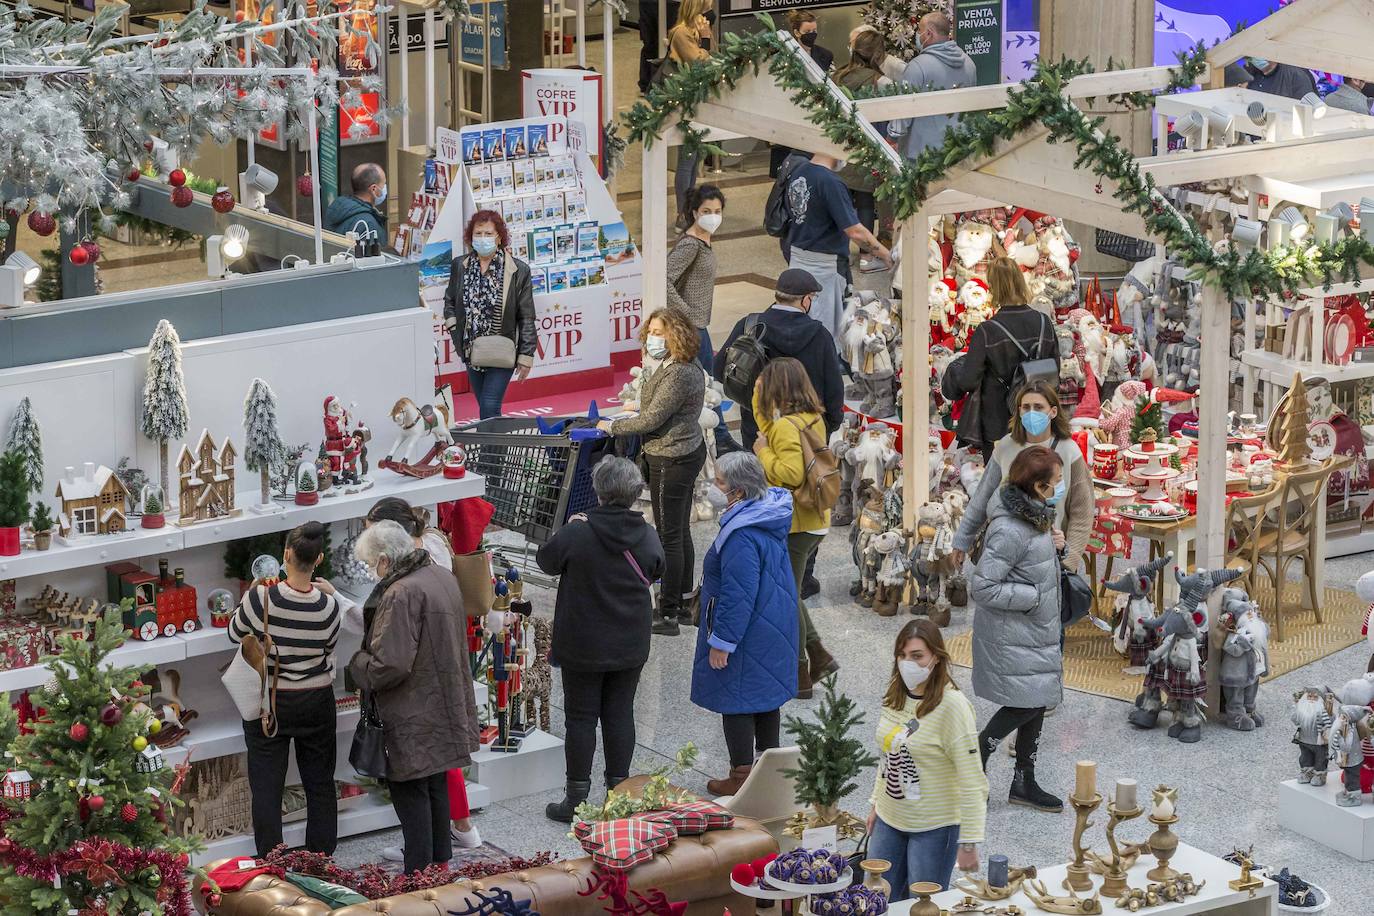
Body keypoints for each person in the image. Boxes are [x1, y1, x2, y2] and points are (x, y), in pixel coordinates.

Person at [353, 497, 484, 863]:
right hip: (443, 705)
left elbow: (389, 665)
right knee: (436, 790)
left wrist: (359, 664)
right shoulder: (439, 576)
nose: (371, 571)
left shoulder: (400, 592)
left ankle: (419, 879)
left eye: (370, 563)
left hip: (412, 715)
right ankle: (439, 869)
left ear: (384, 558)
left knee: (411, 797)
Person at [537, 458, 666, 821]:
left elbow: (546, 560)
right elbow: (659, 568)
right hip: (630, 643)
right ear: (635, 493)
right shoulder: (647, 533)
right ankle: (619, 795)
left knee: (580, 718)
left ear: (598, 491)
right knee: (620, 713)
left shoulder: (578, 532)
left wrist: (568, 529)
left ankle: (576, 798)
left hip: (582, 643)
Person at [229, 521, 342, 858]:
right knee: (320, 783)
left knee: (266, 787)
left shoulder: (261, 597)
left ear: (285, 555)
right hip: (317, 701)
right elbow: (327, 648)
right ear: (319, 559)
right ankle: (321, 860)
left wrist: (250, 592)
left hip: (271, 703)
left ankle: (271, 861)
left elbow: (235, 634)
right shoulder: (329, 606)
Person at [691, 451, 799, 795]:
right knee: (765, 698)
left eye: (719, 481)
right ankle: (769, 774)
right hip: (773, 623)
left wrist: (723, 641)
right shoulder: (767, 513)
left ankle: (740, 778)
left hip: (747, 630)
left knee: (735, 700)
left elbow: (738, 594)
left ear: (737, 490)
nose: (714, 486)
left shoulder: (740, 534)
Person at [597, 308, 705, 635]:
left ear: (676, 335)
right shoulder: (676, 366)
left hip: (671, 458)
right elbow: (656, 408)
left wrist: (612, 425)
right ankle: (684, 601)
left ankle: (667, 612)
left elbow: (651, 421)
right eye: (652, 331)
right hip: (684, 451)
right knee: (679, 530)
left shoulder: (680, 373)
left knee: (669, 534)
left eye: (660, 331)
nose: (653, 337)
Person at [969, 446, 1065, 813]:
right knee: (1027, 700)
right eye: (1055, 482)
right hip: (1016, 632)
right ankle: (978, 753)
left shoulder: (1036, 520)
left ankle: (1024, 780)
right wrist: (1032, 596)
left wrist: (1056, 548)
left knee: (1037, 698)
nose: (1060, 487)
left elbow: (1032, 567)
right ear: (1038, 487)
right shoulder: (1010, 529)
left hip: (1034, 630)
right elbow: (984, 586)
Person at [867, 619, 987, 897]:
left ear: (936, 657)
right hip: (889, 818)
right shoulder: (895, 694)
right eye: (902, 655)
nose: (907, 663)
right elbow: (888, 755)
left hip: (934, 827)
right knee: (875, 899)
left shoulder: (953, 707)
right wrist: (876, 803)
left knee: (921, 906)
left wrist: (969, 841)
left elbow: (973, 779)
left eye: (917, 655)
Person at [752, 357, 839, 699]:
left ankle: (802, 668)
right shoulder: (812, 419)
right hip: (813, 520)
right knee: (790, 591)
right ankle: (816, 656)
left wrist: (761, 454)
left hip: (796, 525)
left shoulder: (787, 427)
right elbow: (770, 430)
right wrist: (760, 405)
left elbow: (789, 474)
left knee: (788, 596)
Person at [950, 381, 1093, 575]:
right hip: (1007, 555)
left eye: (1038, 407)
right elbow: (982, 497)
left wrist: (1068, 561)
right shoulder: (1005, 446)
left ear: (1053, 411)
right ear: (1019, 411)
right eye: (1026, 407)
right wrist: (962, 540)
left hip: (1050, 558)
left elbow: (1082, 512)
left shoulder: (1069, 450)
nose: (1032, 412)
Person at [941, 257, 1061, 463]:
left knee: (1002, 484)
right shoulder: (1044, 322)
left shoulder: (988, 331)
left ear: (994, 287)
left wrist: (955, 368)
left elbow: (968, 381)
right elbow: (1055, 370)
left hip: (999, 425)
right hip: (1038, 419)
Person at [715, 268, 845, 450]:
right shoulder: (820, 336)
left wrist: (749, 403)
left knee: (758, 476)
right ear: (805, 299)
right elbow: (834, 389)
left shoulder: (749, 326)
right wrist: (829, 426)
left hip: (757, 427)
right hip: (805, 429)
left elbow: (720, 370)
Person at [784, 152, 892, 338]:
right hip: (825, 267)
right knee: (827, 332)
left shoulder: (798, 171)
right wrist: (886, 255)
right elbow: (855, 231)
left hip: (797, 259)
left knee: (804, 325)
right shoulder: (831, 182)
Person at [443, 209, 537, 419]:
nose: (482, 238)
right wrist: (454, 328)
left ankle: (489, 454)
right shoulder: (460, 265)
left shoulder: (518, 270)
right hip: (470, 349)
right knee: (486, 409)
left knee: (489, 407)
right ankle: (495, 451)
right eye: (478, 233)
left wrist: (526, 356)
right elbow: (449, 300)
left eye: (488, 233)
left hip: (501, 349)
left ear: (499, 237)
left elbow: (527, 317)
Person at [669, 184, 739, 453]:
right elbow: (664, 279)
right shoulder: (690, 245)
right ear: (694, 212)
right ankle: (720, 438)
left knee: (706, 383)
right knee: (705, 384)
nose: (713, 216)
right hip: (693, 328)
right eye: (707, 211)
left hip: (699, 325)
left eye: (718, 211)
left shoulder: (705, 240)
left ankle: (718, 436)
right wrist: (687, 315)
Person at [833, 29, 895, 273]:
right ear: (878, 54)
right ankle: (868, 256)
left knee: (842, 201)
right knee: (867, 201)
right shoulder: (880, 82)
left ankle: (839, 250)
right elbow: (893, 119)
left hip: (841, 149)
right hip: (872, 152)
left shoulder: (838, 76)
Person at [888, 13, 977, 161]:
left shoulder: (917, 67)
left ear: (929, 33)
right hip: (960, 149)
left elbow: (903, 111)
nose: (918, 36)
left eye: (920, 31)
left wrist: (891, 138)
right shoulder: (969, 63)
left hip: (922, 155)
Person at [769, 11, 835, 178]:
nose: (812, 35)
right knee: (784, 169)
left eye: (814, 31)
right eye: (808, 32)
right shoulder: (781, 56)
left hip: (814, 116)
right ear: (796, 32)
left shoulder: (825, 55)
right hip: (787, 115)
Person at [666, 0, 714, 216]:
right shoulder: (682, 33)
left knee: (695, 160)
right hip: (685, 101)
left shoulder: (697, 29)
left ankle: (690, 210)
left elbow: (712, 55)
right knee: (686, 161)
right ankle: (683, 213)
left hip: (699, 100)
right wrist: (704, 38)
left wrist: (706, 36)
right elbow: (699, 63)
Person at [324, 163, 388, 243]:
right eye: (384, 184)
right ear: (373, 189)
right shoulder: (369, 225)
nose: (385, 188)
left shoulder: (338, 206)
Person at [638, 0, 681, 92]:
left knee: (672, 44)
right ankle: (647, 84)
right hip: (648, 4)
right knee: (649, 44)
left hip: (672, 3)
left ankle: (668, 83)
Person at [1246, 56, 1316, 101]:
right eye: (1251, 58)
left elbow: (1307, 109)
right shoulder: (1249, 75)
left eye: (1260, 52)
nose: (1256, 57)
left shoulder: (1295, 75)